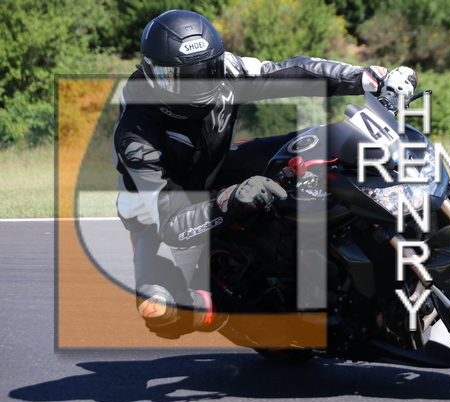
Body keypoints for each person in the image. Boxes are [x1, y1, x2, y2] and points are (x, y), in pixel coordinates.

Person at [112, 9, 418, 339]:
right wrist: (230, 200)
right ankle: (241, 311)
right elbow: (173, 226)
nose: (199, 84)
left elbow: (293, 71)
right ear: (151, 73)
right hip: (161, 217)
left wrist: (366, 79)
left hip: (217, 166)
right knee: (163, 312)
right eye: (181, 79)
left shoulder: (227, 69)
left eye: (207, 70)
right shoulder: (136, 137)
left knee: (319, 145)